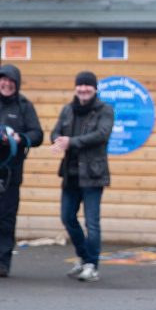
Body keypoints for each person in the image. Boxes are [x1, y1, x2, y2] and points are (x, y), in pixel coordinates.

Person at [51, 71, 114, 283]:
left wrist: (71, 142)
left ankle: (92, 266)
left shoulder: (105, 110)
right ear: (76, 88)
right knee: (67, 217)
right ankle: (84, 257)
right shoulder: (68, 109)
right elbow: (55, 132)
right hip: (70, 174)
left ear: (95, 89)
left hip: (93, 174)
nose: (83, 89)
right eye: (80, 85)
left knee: (92, 223)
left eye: (88, 85)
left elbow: (101, 135)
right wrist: (58, 140)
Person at [0, 65, 43, 278]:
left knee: (6, 219)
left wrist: (19, 138)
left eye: (11, 81)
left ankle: (3, 263)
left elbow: (37, 135)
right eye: (3, 80)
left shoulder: (24, 106)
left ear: (16, 84)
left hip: (10, 173)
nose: (6, 84)